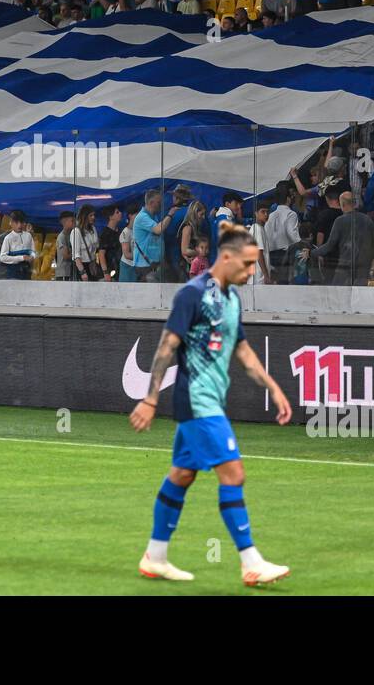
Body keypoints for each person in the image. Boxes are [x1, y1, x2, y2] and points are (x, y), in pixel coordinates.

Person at [128, 223, 293, 586]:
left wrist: (274, 389)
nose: (252, 272)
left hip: (209, 399)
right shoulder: (192, 294)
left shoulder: (232, 299)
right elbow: (167, 346)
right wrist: (150, 398)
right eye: (248, 264)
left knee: (182, 476)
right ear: (227, 257)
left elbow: (243, 351)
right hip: (198, 400)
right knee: (233, 474)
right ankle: (251, 562)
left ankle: (155, 556)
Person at [309, 191, 374, 286]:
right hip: (363, 268)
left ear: (342, 204)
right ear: (354, 203)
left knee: (337, 296)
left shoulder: (340, 221)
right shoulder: (367, 220)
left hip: (344, 267)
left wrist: (311, 252)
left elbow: (329, 245)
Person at [0, 210, 36, 280]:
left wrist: (32, 257)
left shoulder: (28, 236)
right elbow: (2, 257)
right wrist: (22, 258)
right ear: (11, 223)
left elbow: (33, 252)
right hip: (12, 273)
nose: (19, 225)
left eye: (21, 222)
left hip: (26, 272)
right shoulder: (8, 238)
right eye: (16, 222)